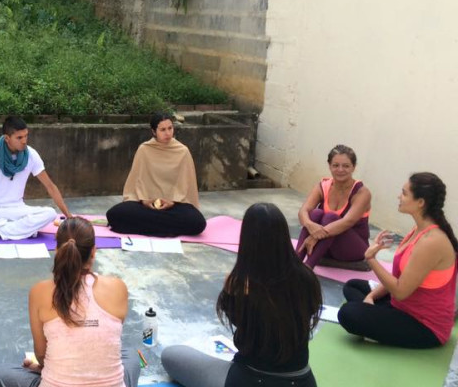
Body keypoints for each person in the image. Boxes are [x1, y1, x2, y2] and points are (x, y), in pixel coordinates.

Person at [162, 203, 321, 387]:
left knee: (171, 355)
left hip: (251, 380)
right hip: (303, 381)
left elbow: (240, 329)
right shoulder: (307, 277)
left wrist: (230, 291)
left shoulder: (240, 284)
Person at [0, 217, 141, 387]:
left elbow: (41, 355)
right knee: (131, 356)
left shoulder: (39, 291)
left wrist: (42, 368)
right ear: (94, 251)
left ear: (57, 250)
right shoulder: (118, 287)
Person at [338, 172, 457, 348]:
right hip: (401, 305)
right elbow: (398, 278)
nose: (399, 196)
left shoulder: (431, 241)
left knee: (347, 313)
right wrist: (370, 296)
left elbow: (400, 291)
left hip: (425, 326)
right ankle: (376, 319)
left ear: (420, 202)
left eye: (404, 193)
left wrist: (371, 259)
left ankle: (376, 327)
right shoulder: (418, 230)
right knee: (352, 286)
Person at [0, 116, 72, 240]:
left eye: (26, 136)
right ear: (7, 138)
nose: (24, 141)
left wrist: (69, 216)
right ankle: (21, 229)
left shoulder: (32, 155)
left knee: (50, 213)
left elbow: (50, 186)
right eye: (19, 137)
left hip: (17, 209)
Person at [106, 112, 206, 237]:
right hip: (147, 205)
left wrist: (172, 202)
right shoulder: (144, 149)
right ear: (154, 132)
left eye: (170, 128)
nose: (168, 133)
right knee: (114, 214)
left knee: (198, 222)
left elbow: (186, 185)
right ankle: (166, 228)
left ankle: (148, 227)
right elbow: (136, 182)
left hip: (174, 205)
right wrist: (144, 200)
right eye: (162, 130)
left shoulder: (183, 151)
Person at [296, 145, 372, 268]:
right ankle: (296, 261)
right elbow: (303, 211)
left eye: (346, 166)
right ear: (329, 166)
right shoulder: (323, 186)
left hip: (352, 250)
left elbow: (347, 222)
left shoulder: (362, 192)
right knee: (315, 214)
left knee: (331, 217)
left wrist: (314, 237)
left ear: (353, 167)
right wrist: (310, 226)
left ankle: (308, 268)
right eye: (336, 165)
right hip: (325, 247)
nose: (340, 170)